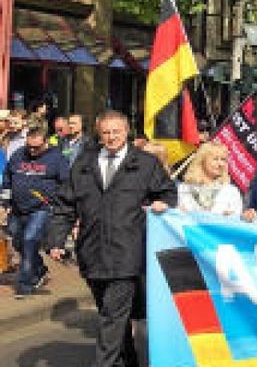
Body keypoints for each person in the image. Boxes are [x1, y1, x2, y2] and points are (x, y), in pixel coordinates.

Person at [47, 110, 176, 367]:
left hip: (127, 253)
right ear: (99, 133)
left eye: (116, 131)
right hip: (92, 252)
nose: (111, 137)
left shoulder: (145, 163)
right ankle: (128, 361)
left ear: (126, 131)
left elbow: (168, 193)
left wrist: (162, 203)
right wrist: (56, 240)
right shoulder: (84, 162)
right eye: (106, 132)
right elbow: (64, 205)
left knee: (112, 319)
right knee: (113, 316)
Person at [2, 124, 68, 298]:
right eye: (29, 146)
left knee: (30, 240)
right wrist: (5, 202)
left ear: (45, 142)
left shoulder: (57, 159)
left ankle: (25, 284)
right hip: (17, 208)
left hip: (41, 208)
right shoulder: (18, 155)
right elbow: (8, 178)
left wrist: (58, 204)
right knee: (18, 243)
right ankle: (39, 268)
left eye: (36, 147)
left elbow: (66, 183)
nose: (32, 151)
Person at [176, 142, 243, 216]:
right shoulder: (183, 188)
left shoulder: (231, 191)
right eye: (215, 159)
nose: (220, 164)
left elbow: (235, 221)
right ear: (202, 161)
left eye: (223, 160)